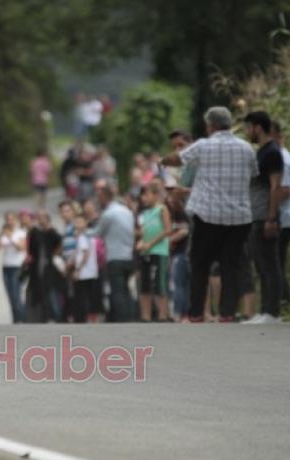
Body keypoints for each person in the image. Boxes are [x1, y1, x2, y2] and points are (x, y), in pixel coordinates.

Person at [162, 106, 257, 323]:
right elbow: (253, 174)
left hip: (208, 216)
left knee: (200, 264)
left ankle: (196, 313)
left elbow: (179, 159)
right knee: (230, 265)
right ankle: (227, 313)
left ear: (210, 125)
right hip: (239, 217)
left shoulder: (203, 145)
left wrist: (164, 160)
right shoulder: (246, 147)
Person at [242, 111, 284, 324]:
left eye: (249, 128)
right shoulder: (262, 152)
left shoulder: (272, 153)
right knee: (261, 264)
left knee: (269, 265)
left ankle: (272, 312)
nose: (247, 132)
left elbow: (276, 185)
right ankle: (265, 310)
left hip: (264, 216)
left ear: (258, 127)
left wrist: (271, 217)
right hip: (256, 215)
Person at [93, 179, 136, 322]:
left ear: (105, 197)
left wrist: (84, 230)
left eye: (100, 197)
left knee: (117, 290)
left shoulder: (108, 214)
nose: (99, 200)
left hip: (114, 256)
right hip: (128, 255)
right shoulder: (127, 211)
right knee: (125, 288)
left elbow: (97, 233)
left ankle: (121, 319)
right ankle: (131, 314)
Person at [271, 121, 290, 306]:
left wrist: (269, 207)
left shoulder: (281, 158)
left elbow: (285, 190)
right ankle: (283, 301)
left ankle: (283, 301)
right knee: (277, 261)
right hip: (287, 218)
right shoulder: (283, 156)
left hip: (284, 218)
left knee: (275, 263)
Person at [136, 181, 171, 322]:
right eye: (142, 195)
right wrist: (140, 241)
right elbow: (142, 231)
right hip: (145, 252)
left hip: (159, 251)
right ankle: (146, 315)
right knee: (144, 284)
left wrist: (151, 243)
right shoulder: (144, 213)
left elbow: (167, 229)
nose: (143, 198)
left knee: (160, 283)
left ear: (155, 195)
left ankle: (163, 314)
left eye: (146, 194)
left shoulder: (162, 209)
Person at [24, 209, 62, 323]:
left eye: (43, 217)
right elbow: (30, 250)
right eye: (39, 217)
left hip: (49, 267)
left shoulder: (52, 232)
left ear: (48, 219)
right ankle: (42, 316)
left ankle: (56, 316)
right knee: (38, 292)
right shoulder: (34, 232)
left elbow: (59, 245)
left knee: (51, 292)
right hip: (36, 268)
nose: (41, 219)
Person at [0, 211, 27, 323]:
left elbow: (21, 247)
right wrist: (1, 234)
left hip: (17, 266)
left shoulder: (21, 233)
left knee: (16, 294)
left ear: (15, 220)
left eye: (11, 219)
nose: (9, 222)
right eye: (7, 219)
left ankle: (22, 318)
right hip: (6, 266)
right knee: (10, 295)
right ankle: (15, 319)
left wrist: (11, 236)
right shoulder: (4, 233)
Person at [72, 214, 100, 323]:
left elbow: (85, 253)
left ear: (86, 223)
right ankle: (92, 316)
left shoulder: (83, 236)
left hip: (84, 272)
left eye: (80, 222)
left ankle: (84, 317)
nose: (78, 224)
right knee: (90, 295)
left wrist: (78, 269)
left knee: (83, 296)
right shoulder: (90, 236)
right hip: (92, 271)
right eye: (76, 222)